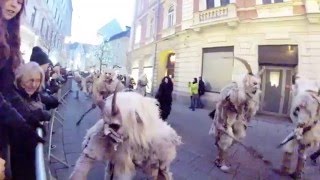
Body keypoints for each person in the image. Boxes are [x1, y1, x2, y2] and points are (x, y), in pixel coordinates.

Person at [0, 0, 44, 178]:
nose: (14, 6)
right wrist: (23, 126)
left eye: (19, 2)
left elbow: (7, 89)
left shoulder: (10, 36)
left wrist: (29, 116)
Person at [10, 62, 51, 180]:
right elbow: (23, 116)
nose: (34, 85)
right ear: (21, 80)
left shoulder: (34, 95)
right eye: (30, 80)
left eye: (37, 80)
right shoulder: (14, 97)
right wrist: (40, 115)